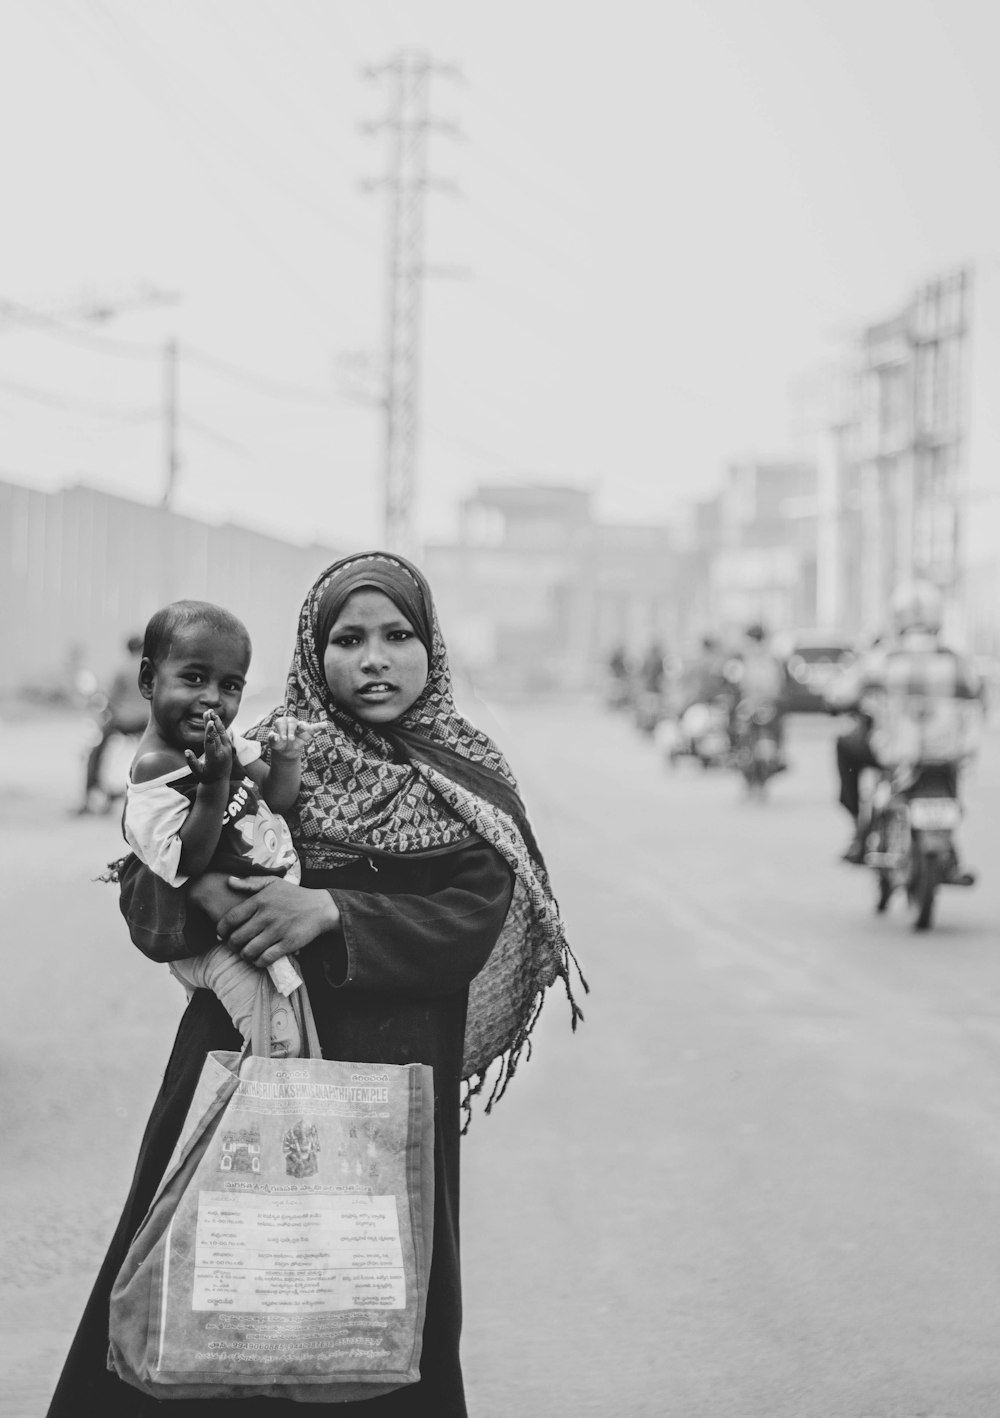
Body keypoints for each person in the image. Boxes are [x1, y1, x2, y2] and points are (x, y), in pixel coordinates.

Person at [46, 550, 585, 1418]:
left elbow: (470, 923)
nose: (375, 659)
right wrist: (218, 888)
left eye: (398, 635)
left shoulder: (466, 777)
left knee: (366, 1331)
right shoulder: (254, 753)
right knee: (195, 1311)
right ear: (312, 652)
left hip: (387, 1094)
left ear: (432, 647)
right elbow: (152, 901)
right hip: (238, 1075)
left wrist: (330, 912)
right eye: (349, 638)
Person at [125, 599, 316, 1058]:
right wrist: (214, 783)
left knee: (284, 1030)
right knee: (278, 1045)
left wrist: (286, 758)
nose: (213, 697)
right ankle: (255, 1122)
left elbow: (277, 798)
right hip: (211, 943)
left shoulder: (225, 741)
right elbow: (185, 862)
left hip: (243, 926)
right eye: (193, 678)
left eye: (229, 686)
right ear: (150, 680)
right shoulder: (155, 769)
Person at [828, 579, 981, 864]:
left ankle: (860, 830)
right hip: (948, 755)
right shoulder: (957, 659)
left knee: (845, 744)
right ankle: (950, 852)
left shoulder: (883, 658)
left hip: (894, 754)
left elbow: (841, 693)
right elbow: (976, 697)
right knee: (950, 776)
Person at [76, 632, 147, 813]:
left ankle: (89, 794)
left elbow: (112, 699)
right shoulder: (150, 669)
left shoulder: (122, 669)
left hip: (123, 721)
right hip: (146, 722)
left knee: (96, 752)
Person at [730, 622, 788, 767]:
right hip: (762, 703)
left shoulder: (747, 657)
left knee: (738, 721)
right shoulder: (772, 657)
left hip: (757, 703)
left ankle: (739, 753)